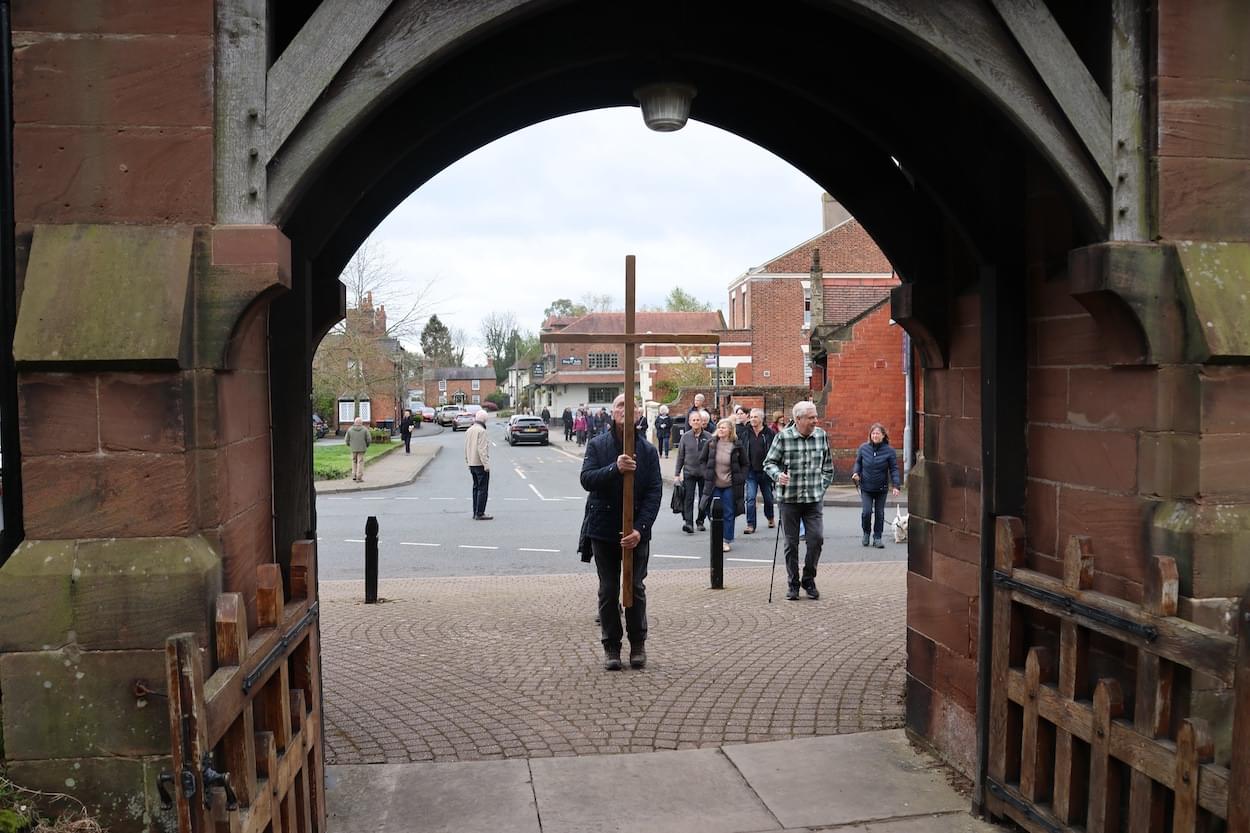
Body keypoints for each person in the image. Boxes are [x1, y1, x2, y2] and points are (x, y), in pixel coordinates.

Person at [580, 394, 662, 671]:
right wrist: (615, 468)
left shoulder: (648, 451)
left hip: (636, 533)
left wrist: (640, 529)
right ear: (611, 412)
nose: (625, 411)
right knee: (609, 589)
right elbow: (587, 479)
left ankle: (638, 644)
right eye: (619, 405)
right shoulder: (597, 445)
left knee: (635, 588)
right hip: (604, 530)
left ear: (639, 414)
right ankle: (611, 647)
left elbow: (654, 492)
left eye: (631, 406)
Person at [763, 401, 833, 601]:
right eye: (811, 418)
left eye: (815, 417)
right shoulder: (783, 438)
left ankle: (808, 579)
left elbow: (828, 467)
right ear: (799, 419)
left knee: (816, 539)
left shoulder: (821, 436)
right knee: (791, 544)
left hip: (813, 499)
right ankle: (793, 583)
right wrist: (778, 476)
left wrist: (821, 487)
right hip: (789, 500)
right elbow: (768, 463)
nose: (815, 420)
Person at [698, 417, 747, 552]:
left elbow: (745, 464)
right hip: (713, 485)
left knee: (729, 513)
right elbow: (702, 460)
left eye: (723, 427)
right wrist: (705, 473)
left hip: (730, 485)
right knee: (709, 510)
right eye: (719, 427)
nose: (720, 429)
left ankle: (726, 540)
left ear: (730, 430)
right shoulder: (711, 443)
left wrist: (741, 477)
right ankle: (717, 536)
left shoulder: (737, 445)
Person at [851, 422, 902, 548]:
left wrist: (896, 485)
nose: (875, 435)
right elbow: (858, 463)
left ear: (883, 435)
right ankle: (866, 533)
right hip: (866, 487)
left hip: (881, 488)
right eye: (873, 433)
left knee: (880, 513)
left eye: (878, 433)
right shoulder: (863, 448)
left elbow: (894, 469)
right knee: (866, 512)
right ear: (870, 435)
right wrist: (856, 473)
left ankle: (877, 537)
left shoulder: (889, 451)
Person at [739, 408, 776, 534]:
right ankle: (750, 524)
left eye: (755, 417)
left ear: (761, 419)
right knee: (750, 498)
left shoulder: (769, 433)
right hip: (750, 472)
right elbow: (740, 449)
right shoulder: (745, 433)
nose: (753, 419)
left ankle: (770, 517)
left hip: (766, 471)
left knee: (768, 498)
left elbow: (775, 450)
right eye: (751, 417)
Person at [674, 409, 711, 533]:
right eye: (693, 420)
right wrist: (676, 474)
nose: (696, 422)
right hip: (689, 472)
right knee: (688, 498)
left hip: (704, 473)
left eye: (698, 420)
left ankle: (700, 521)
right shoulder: (685, 437)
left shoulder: (708, 437)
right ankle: (688, 523)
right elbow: (680, 456)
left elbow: (712, 455)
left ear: (702, 422)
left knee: (703, 499)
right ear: (690, 422)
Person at [464, 410, 492, 520]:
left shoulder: (469, 430)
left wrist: (467, 460)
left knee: (475, 488)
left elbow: (466, 447)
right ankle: (480, 513)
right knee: (482, 489)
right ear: (484, 420)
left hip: (472, 463)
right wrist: (486, 464)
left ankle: (475, 512)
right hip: (480, 463)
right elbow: (482, 449)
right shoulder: (482, 431)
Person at [344, 416, 370, 482]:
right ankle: (359, 476)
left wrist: (349, 444)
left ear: (354, 422)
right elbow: (368, 439)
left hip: (353, 448)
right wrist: (367, 445)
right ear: (361, 423)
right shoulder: (365, 429)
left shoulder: (350, 429)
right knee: (360, 462)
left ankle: (354, 475)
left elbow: (346, 439)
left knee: (353, 461)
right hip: (362, 448)